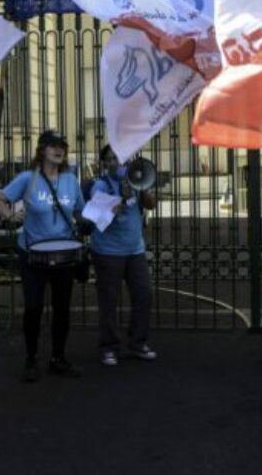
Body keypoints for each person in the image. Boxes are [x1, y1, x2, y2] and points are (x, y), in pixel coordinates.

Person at [0, 130, 86, 382]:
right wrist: (10, 215)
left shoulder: (70, 181)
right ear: (42, 150)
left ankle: (58, 357)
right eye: (54, 145)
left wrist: (100, 216)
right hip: (33, 254)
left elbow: (79, 213)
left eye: (62, 146)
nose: (59, 150)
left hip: (64, 254)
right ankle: (31, 358)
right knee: (33, 307)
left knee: (62, 308)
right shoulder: (28, 178)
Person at [90, 146, 157, 366]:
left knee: (144, 296)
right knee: (109, 301)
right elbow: (100, 214)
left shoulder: (134, 180)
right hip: (108, 252)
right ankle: (108, 347)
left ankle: (138, 342)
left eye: (118, 159)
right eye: (109, 160)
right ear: (104, 164)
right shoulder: (100, 185)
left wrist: (143, 188)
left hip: (135, 250)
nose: (114, 163)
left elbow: (151, 204)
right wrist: (121, 196)